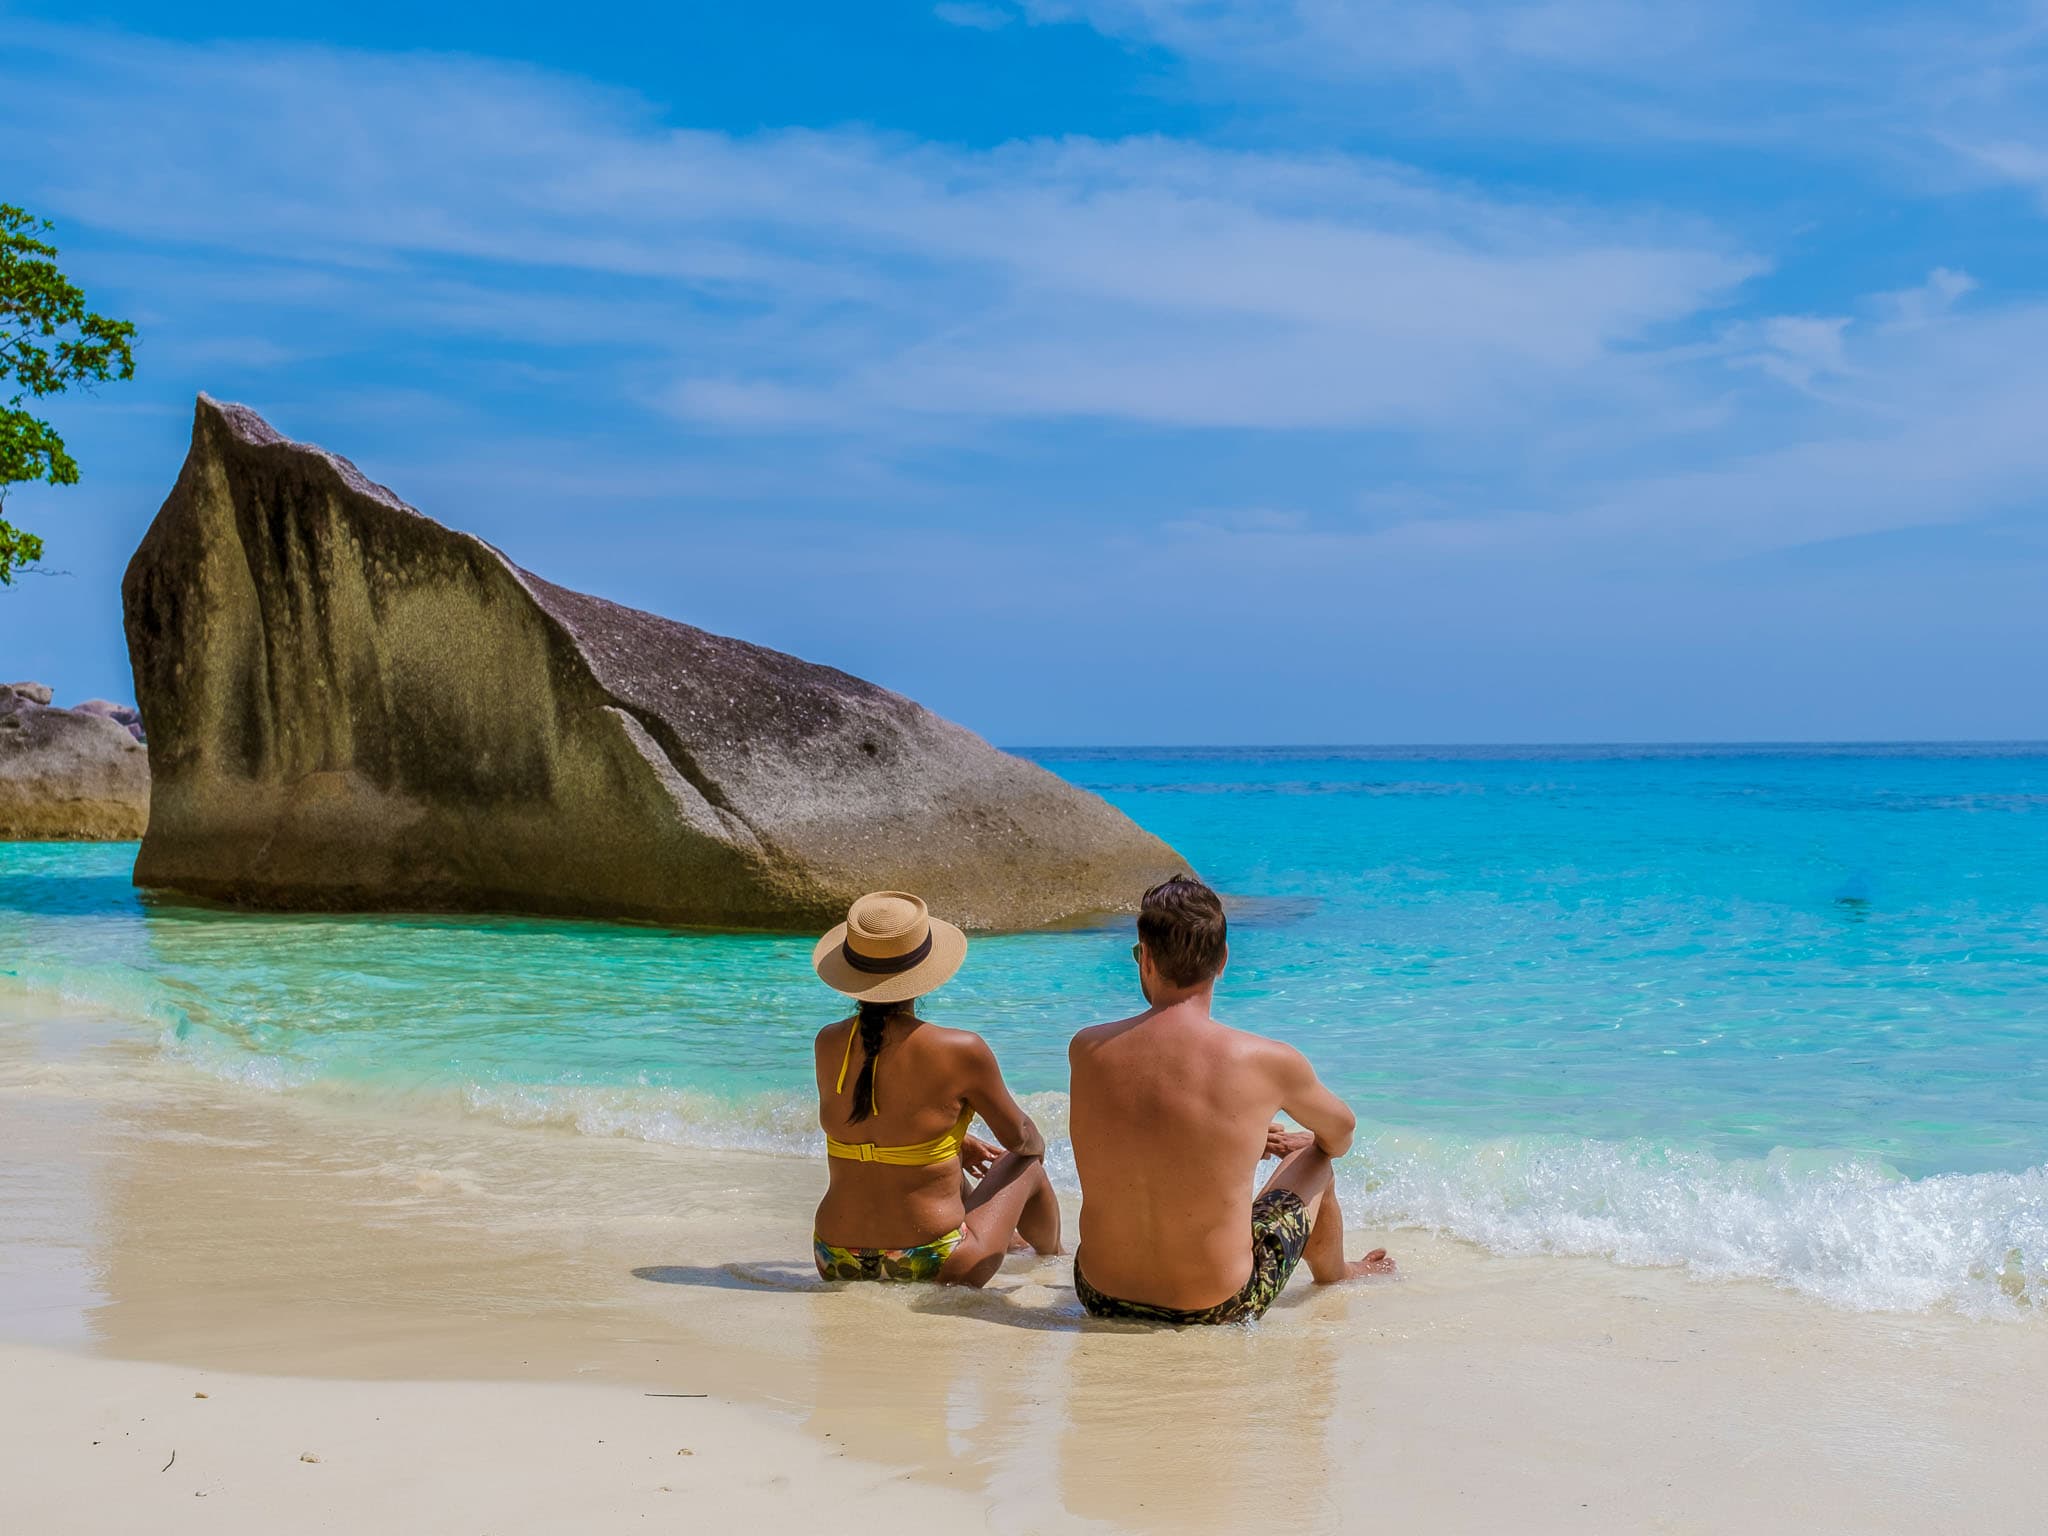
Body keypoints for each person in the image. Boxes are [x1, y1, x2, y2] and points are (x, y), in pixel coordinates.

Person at [1067, 875, 1394, 1324]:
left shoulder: (1086, 1049)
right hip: (1217, 1305)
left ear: (1145, 959)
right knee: (1319, 1157)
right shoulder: (1266, 1061)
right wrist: (1300, 1144)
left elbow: (1143, 1132)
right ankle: (1337, 1274)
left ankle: (1335, 1271)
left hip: (1100, 1293)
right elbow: (1342, 1133)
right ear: (1222, 961)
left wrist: (1234, 1143)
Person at [811, 890, 1061, 1286]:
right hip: (934, 1260)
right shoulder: (961, 1049)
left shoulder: (827, 1043)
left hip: (834, 1255)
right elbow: (1022, 1140)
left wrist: (955, 1141)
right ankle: (1051, 1260)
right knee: (1027, 1162)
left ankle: (1011, 1242)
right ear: (923, 972)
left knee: (951, 1157)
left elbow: (877, 1127)